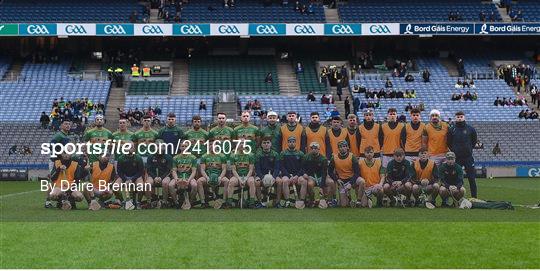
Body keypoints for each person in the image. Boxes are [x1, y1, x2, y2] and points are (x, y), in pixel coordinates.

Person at [447, 111, 478, 198]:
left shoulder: (470, 129)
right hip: (457, 159)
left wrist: (468, 149)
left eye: (461, 116)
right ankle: (456, 199)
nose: (459, 118)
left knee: (471, 179)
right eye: (458, 117)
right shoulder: (452, 129)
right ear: (455, 118)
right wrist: (454, 150)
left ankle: (474, 198)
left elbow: (474, 141)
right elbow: (448, 143)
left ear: (464, 117)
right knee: (456, 179)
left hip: (468, 157)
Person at [197, 139, 228, 208]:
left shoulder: (222, 156)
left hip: (219, 175)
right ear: (207, 146)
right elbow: (202, 170)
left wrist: (220, 177)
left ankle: (224, 202)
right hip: (208, 176)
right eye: (210, 145)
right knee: (199, 181)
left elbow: (224, 169)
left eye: (213, 144)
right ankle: (203, 202)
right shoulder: (204, 156)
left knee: (227, 181)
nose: (211, 146)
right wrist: (207, 177)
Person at [328, 141, 360, 207]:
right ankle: (349, 199)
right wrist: (337, 179)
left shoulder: (352, 157)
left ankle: (359, 200)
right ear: (338, 148)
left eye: (344, 146)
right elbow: (330, 171)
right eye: (340, 147)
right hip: (342, 181)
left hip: (352, 179)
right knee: (343, 205)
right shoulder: (334, 158)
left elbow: (357, 172)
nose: (342, 148)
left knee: (361, 181)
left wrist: (350, 183)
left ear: (347, 147)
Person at [279, 136, 307, 208]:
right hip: (287, 175)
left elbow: (302, 167)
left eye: (293, 142)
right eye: (290, 142)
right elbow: (282, 167)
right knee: (285, 181)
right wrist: (289, 176)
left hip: (297, 175)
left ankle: (302, 201)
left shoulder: (300, 153)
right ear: (287, 143)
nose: (291, 143)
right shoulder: (283, 153)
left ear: (295, 143)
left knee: (304, 181)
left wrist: (296, 176)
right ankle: (287, 201)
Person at [228, 143, 257, 208]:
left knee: (252, 182)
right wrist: (240, 179)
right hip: (237, 176)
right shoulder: (233, 155)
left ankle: (252, 203)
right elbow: (234, 170)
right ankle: (229, 203)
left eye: (243, 143)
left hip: (248, 175)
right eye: (239, 143)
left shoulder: (250, 155)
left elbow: (251, 170)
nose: (241, 145)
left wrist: (246, 179)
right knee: (231, 182)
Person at [115, 145, 145, 209]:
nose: (129, 149)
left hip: (136, 176)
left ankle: (138, 203)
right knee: (115, 187)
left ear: (134, 149)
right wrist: (125, 179)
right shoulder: (120, 158)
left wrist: (132, 179)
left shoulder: (138, 158)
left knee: (141, 187)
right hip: (124, 177)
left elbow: (141, 171)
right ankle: (123, 202)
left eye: (131, 147)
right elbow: (119, 171)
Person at [170, 141, 198, 208]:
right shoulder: (175, 158)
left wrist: (189, 180)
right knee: (171, 185)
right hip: (179, 176)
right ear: (179, 147)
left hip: (189, 177)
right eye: (182, 146)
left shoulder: (193, 158)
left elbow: (194, 171)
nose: (184, 147)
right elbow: (174, 171)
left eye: (186, 146)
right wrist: (176, 179)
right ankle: (176, 203)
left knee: (194, 185)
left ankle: (190, 202)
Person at [254, 137, 281, 207]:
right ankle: (260, 202)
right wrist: (262, 177)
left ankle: (277, 202)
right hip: (261, 175)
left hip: (272, 175)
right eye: (264, 143)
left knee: (279, 181)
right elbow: (257, 169)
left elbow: (277, 168)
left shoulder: (275, 154)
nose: (266, 144)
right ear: (261, 145)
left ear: (271, 144)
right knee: (257, 183)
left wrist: (274, 177)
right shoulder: (258, 155)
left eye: (268, 143)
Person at [302, 142, 330, 208]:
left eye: (315, 148)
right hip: (311, 176)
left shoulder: (323, 159)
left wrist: (321, 186)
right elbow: (302, 168)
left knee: (330, 182)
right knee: (310, 184)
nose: (313, 150)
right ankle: (312, 199)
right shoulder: (306, 157)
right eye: (312, 148)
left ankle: (327, 200)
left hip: (321, 176)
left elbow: (324, 173)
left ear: (318, 149)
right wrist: (304, 173)